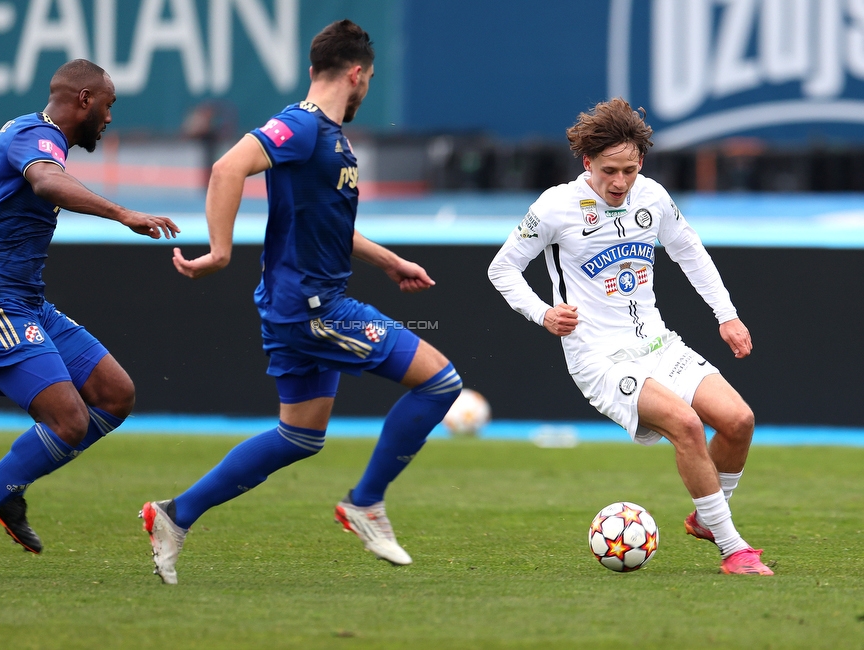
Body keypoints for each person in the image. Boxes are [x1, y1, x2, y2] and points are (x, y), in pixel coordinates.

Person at [140, 19, 461, 584]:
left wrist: (389, 261)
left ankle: (174, 513)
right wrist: (219, 251)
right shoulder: (303, 127)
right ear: (357, 74)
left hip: (297, 304)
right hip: (315, 310)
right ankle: (365, 502)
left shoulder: (326, 137)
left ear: (317, 68)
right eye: (368, 81)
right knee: (440, 383)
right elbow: (227, 167)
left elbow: (327, 226)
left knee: (300, 436)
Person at [488, 98, 773, 576]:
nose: (619, 183)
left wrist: (727, 315)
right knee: (685, 424)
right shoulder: (556, 205)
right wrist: (542, 313)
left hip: (657, 344)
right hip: (599, 357)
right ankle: (732, 548)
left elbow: (691, 253)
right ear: (587, 163)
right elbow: (503, 268)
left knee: (739, 420)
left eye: (629, 170)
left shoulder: (653, 197)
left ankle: (708, 518)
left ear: (641, 163)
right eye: (608, 171)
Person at [0, 59, 180, 578]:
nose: (111, 118)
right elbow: (46, 183)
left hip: (22, 300)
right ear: (85, 100)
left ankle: (3, 486)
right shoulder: (33, 138)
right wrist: (123, 213)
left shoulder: (16, 138)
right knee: (68, 420)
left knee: (116, 394)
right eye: (109, 106)